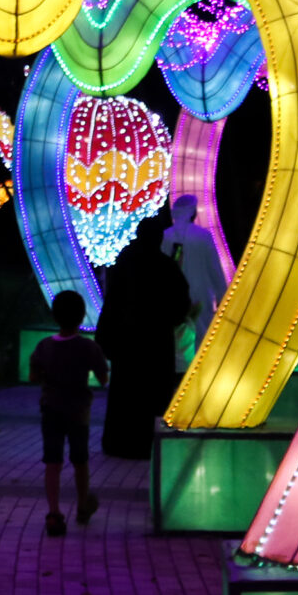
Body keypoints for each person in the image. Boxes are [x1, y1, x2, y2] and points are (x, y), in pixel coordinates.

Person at [98, 225, 191, 459]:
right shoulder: (166, 266)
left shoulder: (124, 263)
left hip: (126, 341)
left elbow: (112, 302)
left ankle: (120, 443)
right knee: (155, 393)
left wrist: (106, 336)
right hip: (156, 342)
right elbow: (181, 303)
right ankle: (149, 443)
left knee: (125, 395)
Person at [34, 290, 109, 536]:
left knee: (52, 462)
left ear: (55, 316)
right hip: (79, 412)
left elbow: (34, 376)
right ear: (81, 316)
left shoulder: (44, 346)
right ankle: (82, 505)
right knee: (80, 460)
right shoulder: (89, 347)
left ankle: (54, 513)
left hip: (51, 410)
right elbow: (103, 377)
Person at [156, 194, 228, 339]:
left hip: (171, 297)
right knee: (201, 338)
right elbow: (214, 268)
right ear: (192, 212)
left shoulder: (165, 236)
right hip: (201, 296)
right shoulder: (204, 236)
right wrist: (222, 295)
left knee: (178, 341)